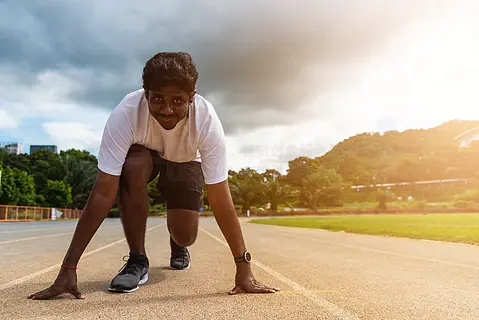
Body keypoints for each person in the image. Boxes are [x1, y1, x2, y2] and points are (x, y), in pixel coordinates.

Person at [28, 52, 279, 299]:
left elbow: (220, 196)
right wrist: (68, 267)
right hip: (147, 155)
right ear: (145, 94)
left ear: (192, 98)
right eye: (157, 99)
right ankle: (137, 260)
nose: (167, 110)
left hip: (186, 159)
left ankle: (176, 243)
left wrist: (243, 267)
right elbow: (104, 190)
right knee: (132, 165)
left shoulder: (206, 121)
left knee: (185, 235)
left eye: (178, 101)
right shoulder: (126, 113)